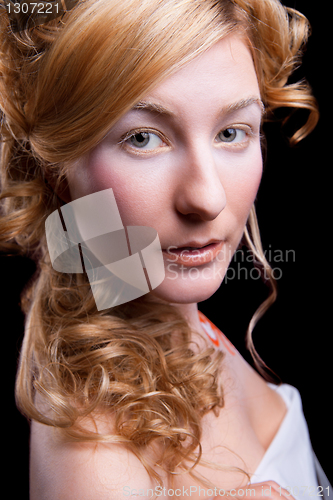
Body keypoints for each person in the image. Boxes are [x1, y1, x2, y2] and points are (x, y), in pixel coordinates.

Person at [0, 0, 330, 499]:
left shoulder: (168, 314)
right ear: (57, 168)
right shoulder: (97, 455)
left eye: (231, 131)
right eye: (143, 138)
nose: (207, 197)